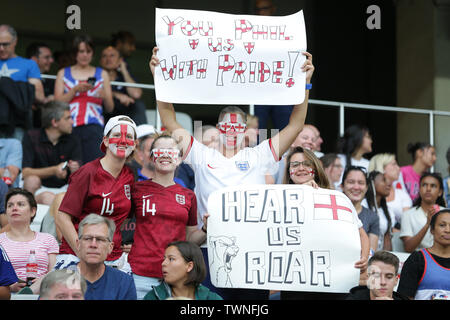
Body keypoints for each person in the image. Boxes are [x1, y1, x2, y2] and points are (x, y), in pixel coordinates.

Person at [150, 45, 314, 300]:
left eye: (238, 126)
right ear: (218, 127)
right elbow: (169, 119)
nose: (231, 131)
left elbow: (296, 124)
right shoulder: (203, 155)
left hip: (252, 251)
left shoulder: (260, 155)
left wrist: (305, 85)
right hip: (208, 250)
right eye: (226, 125)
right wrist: (158, 77)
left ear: (246, 129)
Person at [280, 147, 370, 300]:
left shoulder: (336, 198)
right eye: (294, 165)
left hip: (332, 283)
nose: (301, 168)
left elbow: (361, 234)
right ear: (289, 171)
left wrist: (364, 257)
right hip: (295, 284)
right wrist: (301, 192)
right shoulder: (277, 200)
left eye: (306, 164)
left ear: (314, 167)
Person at [54, 115, 137, 273]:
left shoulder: (130, 176)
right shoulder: (87, 172)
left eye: (129, 137)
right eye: (117, 135)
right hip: (78, 255)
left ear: (134, 144)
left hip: (115, 258)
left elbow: (123, 218)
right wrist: (82, 252)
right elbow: (62, 217)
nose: (123, 141)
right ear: (105, 141)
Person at [129, 134, 205, 300]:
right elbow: (119, 220)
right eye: (159, 150)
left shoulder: (188, 195)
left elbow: (190, 238)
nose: (165, 155)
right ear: (151, 157)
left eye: (170, 151)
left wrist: (206, 228)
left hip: (176, 278)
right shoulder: (136, 189)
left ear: (178, 159)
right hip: (141, 273)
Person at [54, 34, 114, 164]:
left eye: (88, 51)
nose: (85, 55)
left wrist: (105, 96)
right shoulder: (63, 73)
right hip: (69, 126)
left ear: (93, 53)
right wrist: (75, 90)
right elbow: (57, 104)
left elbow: (110, 108)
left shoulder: (102, 73)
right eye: (81, 51)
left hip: (94, 127)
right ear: (75, 53)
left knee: (94, 166)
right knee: (72, 167)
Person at [22, 101, 82, 205]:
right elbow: (25, 172)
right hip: (38, 190)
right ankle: (27, 212)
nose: (72, 122)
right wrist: (54, 170)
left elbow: (78, 178)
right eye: (68, 118)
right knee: (31, 180)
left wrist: (75, 170)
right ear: (54, 122)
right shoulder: (32, 137)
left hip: (64, 189)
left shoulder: (73, 139)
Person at [0, 188, 59, 294]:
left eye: (20, 204)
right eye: (10, 205)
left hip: (43, 291)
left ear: (32, 211)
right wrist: (10, 286)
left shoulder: (47, 239)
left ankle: (29, 292)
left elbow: (54, 271)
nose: (14, 208)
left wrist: (43, 280)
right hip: (9, 293)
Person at [66, 214, 136, 300]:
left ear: (110, 247)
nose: (93, 245)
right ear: (78, 244)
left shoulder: (124, 283)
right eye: (88, 238)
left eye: (100, 239)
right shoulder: (59, 280)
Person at [252, 0, 294, 132]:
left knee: (284, 128)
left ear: (273, 9)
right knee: (259, 129)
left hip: (281, 87)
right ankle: (259, 153)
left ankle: (283, 154)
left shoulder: (285, 31)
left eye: (264, 8)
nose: (261, 12)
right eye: (257, 9)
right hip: (259, 86)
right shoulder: (250, 31)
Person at [398, 209, 450, 300]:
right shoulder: (417, 259)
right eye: (442, 225)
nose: (447, 230)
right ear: (432, 230)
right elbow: (404, 297)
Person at [143, 241, 222, 300]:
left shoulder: (212, 298)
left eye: (171, 259)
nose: (163, 263)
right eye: (164, 259)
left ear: (189, 266)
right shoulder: (152, 297)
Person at [100, 46, 146, 125]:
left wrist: (124, 70)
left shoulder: (125, 77)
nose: (108, 59)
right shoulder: (97, 76)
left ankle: (140, 136)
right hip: (105, 115)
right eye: (104, 56)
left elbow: (136, 94)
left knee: (139, 104)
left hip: (125, 116)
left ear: (120, 60)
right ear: (100, 61)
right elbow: (93, 92)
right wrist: (116, 95)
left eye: (112, 56)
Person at [400, 173, 446, 252]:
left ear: (440, 192)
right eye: (424, 185)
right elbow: (408, 248)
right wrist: (428, 224)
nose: (428, 189)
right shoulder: (408, 215)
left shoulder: (447, 214)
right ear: (419, 189)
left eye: (433, 186)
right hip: (419, 259)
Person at [0, 25, 45, 106]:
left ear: (15, 42)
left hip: (15, 114)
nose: (1, 48)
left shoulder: (29, 64)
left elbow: (40, 96)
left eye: (5, 44)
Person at [341, 166, 380, 253]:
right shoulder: (331, 212)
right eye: (351, 182)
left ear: (366, 188)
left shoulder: (372, 217)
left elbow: (371, 251)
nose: (356, 187)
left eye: (361, 183)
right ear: (342, 186)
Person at [369, 153, 412, 229]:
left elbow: (407, 225)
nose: (398, 168)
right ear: (381, 167)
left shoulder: (401, 194)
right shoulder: (366, 195)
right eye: (394, 164)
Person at [25, 42, 55, 128]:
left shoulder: (51, 81)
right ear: (34, 59)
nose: (51, 60)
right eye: (47, 57)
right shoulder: (21, 79)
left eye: (51, 57)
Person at [364, 171, 395, 251]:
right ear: (372, 183)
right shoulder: (363, 205)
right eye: (383, 180)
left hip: (378, 258)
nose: (388, 184)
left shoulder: (388, 212)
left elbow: (387, 240)